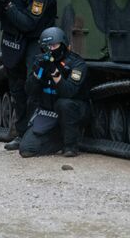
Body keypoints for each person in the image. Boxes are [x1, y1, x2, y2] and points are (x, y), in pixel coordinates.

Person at [0, 0, 57, 151]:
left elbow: (28, 23)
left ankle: (36, 132)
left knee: (32, 85)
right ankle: (21, 132)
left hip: (34, 40)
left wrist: (8, 6)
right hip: (12, 40)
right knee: (16, 88)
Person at [20, 27, 89, 158]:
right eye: (47, 46)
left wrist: (54, 72)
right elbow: (29, 91)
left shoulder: (77, 63)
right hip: (48, 112)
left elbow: (69, 92)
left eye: (54, 45)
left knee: (64, 104)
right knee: (26, 149)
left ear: (63, 44)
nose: (51, 50)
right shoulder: (41, 61)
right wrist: (38, 72)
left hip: (74, 111)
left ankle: (70, 146)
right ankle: (58, 139)